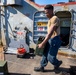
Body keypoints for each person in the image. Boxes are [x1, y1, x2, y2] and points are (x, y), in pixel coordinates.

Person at [34, 4, 62, 72]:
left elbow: (50, 33)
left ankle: (57, 63)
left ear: (52, 11)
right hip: (50, 39)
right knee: (45, 54)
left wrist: (43, 43)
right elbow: (49, 33)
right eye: (45, 13)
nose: (46, 14)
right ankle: (42, 67)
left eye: (47, 12)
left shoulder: (54, 18)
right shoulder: (50, 19)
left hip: (55, 40)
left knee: (51, 58)